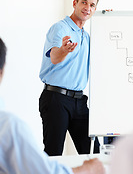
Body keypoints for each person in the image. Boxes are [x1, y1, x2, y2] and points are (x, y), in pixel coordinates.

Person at [0, 37, 106, 174]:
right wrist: (86, 169)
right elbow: (44, 171)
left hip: (79, 99)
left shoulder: (88, 35)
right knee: (53, 151)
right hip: (56, 97)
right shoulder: (9, 127)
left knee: (93, 148)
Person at [39, 0, 100, 156]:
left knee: (93, 153)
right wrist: (64, 50)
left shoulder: (86, 37)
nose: (87, 7)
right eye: (84, 2)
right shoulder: (60, 28)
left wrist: (108, 22)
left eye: (92, 5)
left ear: (95, 10)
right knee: (54, 154)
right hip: (56, 99)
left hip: (79, 101)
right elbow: (55, 57)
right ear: (75, 3)